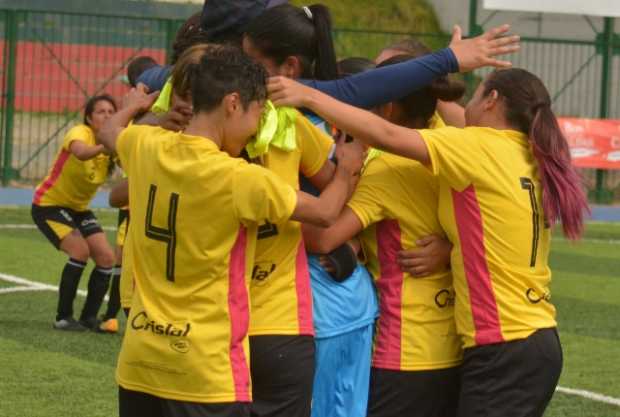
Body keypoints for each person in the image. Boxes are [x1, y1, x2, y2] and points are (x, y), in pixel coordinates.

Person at [267, 66, 589, 417]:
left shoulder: (473, 148)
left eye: (478, 92)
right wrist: (438, 65)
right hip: (531, 337)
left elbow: (387, 134)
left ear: (493, 100)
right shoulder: (528, 151)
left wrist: (309, 96)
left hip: (494, 345)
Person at [97, 45, 362, 417]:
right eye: (257, 112)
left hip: (140, 361)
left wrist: (132, 104)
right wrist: (348, 168)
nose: (257, 128)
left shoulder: (148, 145)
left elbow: (110, 131)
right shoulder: (237, 177)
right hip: (204, 369)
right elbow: (324, 211)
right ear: (233, 104)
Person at [300, 53, 465, 417]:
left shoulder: (385, 168)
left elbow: (324, 238)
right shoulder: (450, 143)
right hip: (456, 340)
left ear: (387, 109)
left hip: (406, 347)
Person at [243, 5, 376, 417]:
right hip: (345, 302)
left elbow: (322, 221)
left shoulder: (285, 125)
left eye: (250, 62)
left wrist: (346, 239)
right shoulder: (321, 128)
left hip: (313, 307)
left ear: (290, 66)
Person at [31, 95, 117, 331]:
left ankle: (89, 318)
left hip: (78, 209)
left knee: (107, 258)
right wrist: (107, 145)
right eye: (101, 112)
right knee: (80, 251)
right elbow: (80, 152)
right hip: (49, 205)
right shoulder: (80, 133)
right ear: (89, 117)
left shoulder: (115, 144)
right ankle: (63, 317)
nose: (107, 116)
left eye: (111, 112)